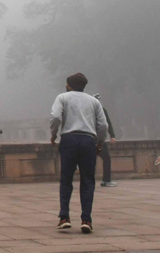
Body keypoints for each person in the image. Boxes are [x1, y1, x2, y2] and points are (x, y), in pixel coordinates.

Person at [50, 73, 109, 234]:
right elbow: (103, 125)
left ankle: (64, 217)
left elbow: (55, 117)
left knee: (66, 179)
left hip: (69, 139)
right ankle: (86, 220)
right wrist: (100, 142)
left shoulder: (63, 97)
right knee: (88, 181)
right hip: (88, 140)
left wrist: (53, 135)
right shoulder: (93, 101)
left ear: (69, 85)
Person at [93, 94, 118, 187]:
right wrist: (112, 136)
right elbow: (106, 124)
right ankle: (106, 180)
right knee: (105, 159)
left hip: (92, 140)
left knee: (93, 160)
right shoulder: (101, 110)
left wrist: (112, 135)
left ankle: (89, 181)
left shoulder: (95, 110)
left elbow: (108, 124)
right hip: (98, 141)